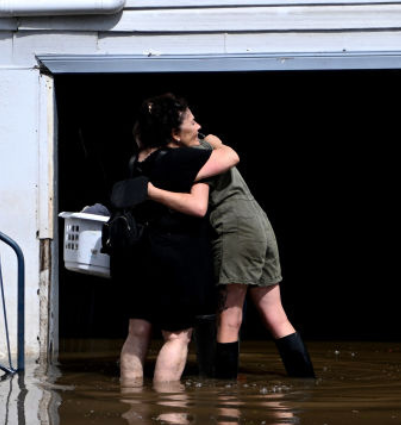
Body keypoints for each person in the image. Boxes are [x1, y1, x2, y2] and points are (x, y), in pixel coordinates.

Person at [145, 133, 314, 379]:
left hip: (235, 228)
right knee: (277, 317)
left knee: (229, 320)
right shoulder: (209, 148)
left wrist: (150, 190)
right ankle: (307, 386)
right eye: (193, 122)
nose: (199, 126)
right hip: (259, 225)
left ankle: (225, 399)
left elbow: (197, 203)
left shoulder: (194, 155)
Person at [114, 94, 239, 384]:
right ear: (174, 133)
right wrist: (216, 142)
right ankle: (169, 415)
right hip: (175, 255)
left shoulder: (137, 160)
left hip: (138, 255)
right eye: (192, 122)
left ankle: (133, 411)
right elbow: (231, 157)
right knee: (177, 336)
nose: (197, 126)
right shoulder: (182, 159)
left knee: (137, 332)